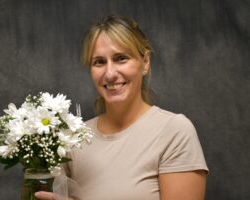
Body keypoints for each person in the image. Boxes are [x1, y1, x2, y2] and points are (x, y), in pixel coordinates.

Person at [35, 15, 208, 200]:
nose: (110, 74)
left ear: (146, 62)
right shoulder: (73, 140)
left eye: (121, 58)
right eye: (99, 62)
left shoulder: (174, 132)